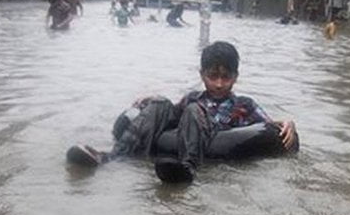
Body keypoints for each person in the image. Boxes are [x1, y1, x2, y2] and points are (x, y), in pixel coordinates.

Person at [66, 41, 298, 184]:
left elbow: (267, 127)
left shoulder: (245, 105)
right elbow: (169, 116)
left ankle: (187, 168)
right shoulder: (193, 98)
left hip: (213, 141)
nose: (218, 84)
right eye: (212, 76)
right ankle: (111, 157)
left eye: (225, 77)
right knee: (162, 105)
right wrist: (153, 101)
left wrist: (286, 123)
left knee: (193, 111)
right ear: (202, 75)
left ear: (235, 77)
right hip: (185, 128)